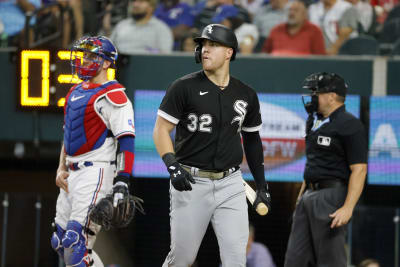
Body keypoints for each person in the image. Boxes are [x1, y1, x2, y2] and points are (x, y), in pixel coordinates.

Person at [153, 24, 272, 267]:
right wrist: (172, 165)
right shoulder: (183, 87)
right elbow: (160, 130)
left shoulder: (246, 93)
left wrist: (262, 185)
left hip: (231, 183)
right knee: (182, 259)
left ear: (229, 52)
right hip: (191, 181)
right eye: (203, 45)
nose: (205, 50)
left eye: (213, 45)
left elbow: (252, 140)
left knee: (236, 260)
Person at [50, 36, 136, 267]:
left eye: (91, 56)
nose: (84, 60)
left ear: (106, 63)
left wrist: (122, 180)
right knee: (59, 241)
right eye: (83, 55)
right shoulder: (75, 91)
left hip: (96, 171)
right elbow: (67, 135)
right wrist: (61, 167)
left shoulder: (114, 94)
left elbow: (126, 140)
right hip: (71, 171)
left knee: (75, 242)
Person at [284, 72, 368, 267]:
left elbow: (360, 170)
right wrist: (302, 192)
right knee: (294, 260)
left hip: (331, 196)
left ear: (331, 96)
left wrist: (348, 208)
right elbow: (314, 163)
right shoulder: (315, 121)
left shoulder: (350, 124)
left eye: (316, 92)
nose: (312, 97)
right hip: (309, 196)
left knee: (331, 260)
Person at [262, 0, 326, 56]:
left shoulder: (314, 31)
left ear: (304, 14)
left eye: (296, 10)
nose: (291, 13)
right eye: (290, 10)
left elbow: (320, 59)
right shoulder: (276, 30)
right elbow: (265, 55)